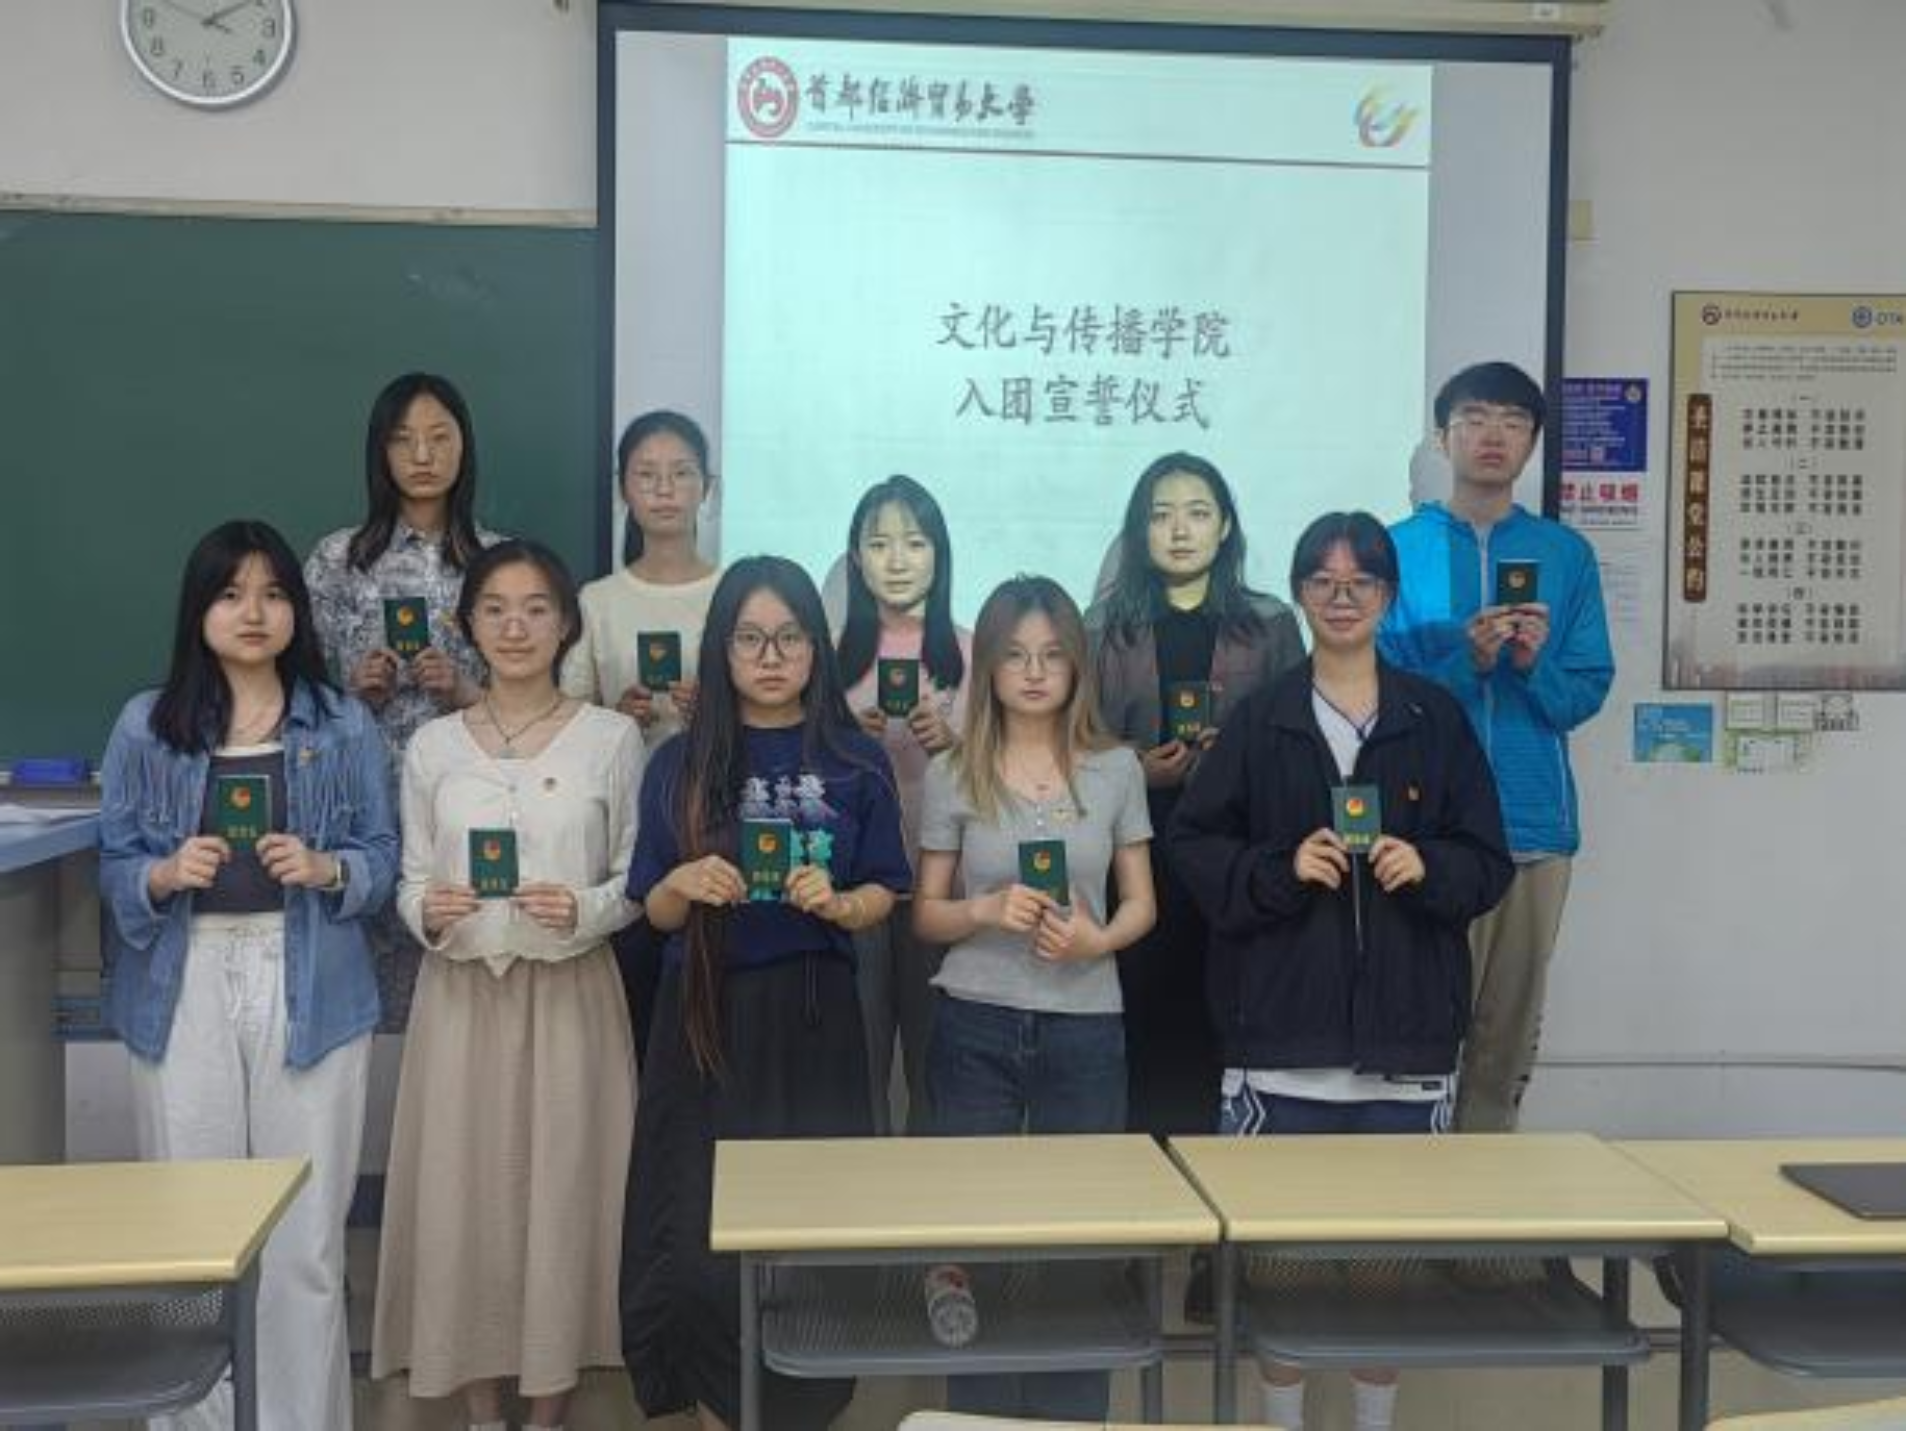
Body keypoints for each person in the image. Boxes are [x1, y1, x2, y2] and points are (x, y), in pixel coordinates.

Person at [1169, 512, 1511, 1432]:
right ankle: (1281, 1421)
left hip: (1405, 1050)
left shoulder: (1432, 719)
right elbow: (1194, 846)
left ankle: (1372, 1422)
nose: (1342, 596)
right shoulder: (1261, 719)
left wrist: (1426, 866)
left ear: (1388, 596)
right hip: (1280, 1050)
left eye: (1360, 581)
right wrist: (1279, 871)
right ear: (1297, 594)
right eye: (1322, 580)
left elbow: (1488, 861)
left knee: (1381, 1270)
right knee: (1279, 1267)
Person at [98, 519, 398, 1431]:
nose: (253, 612)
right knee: (193, 1236)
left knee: (304, 1243)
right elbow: (114, 862)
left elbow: (383, 858)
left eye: (272, 594)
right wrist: (160, 875)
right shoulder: (147, 725)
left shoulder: (341, 723)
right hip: (182, 983)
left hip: (309, 986)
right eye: (230, 594)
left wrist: (328, 868)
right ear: (199, 611)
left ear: (297, 610)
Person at [620, 556, 912, 1431]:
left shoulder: (855, 761)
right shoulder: (679, 761)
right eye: (749, 638)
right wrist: (684, 882)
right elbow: (653, 909)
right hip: (705, 1020)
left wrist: (842, 903)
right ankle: (720, 1410)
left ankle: (804, 1406)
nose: (771, 656)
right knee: (700, 1234)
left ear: (817, 649)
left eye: (789, 637)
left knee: (812, 1228)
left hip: (814, 1018)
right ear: (721, 649)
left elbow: (885, 890)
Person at [372, 540, 644, 1432]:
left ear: (566, 625)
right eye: (494, 609)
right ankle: (483, 1413)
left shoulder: (611, 738)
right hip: (461, 1002)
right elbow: (410, 878)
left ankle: (549, 1411)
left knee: (564, 1197)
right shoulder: (432, 745)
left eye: (535, 609)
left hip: (570, 998)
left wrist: (584, 908)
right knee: (464, 1201)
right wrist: (427, 909)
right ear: (468, 625)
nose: (515, 627)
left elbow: (634, 881)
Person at [914, 575, 1157, 1424]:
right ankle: (976, 1417)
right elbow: (926, 915)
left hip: (1085, 1023)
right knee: (972, 1231)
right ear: (986, 665)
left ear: (1076, 667)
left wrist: (1097, 940)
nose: (1033, 672)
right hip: (974, 1019)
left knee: (1077, 1240)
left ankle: (1068, 1417)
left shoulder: (1116, 768)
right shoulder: (952, 771)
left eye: (1052, 655)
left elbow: (1142, 904)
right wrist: (982, 911)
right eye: (1014, 655)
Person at [1379, 361, 1614, 1131]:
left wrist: (1529, 663)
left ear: (1532, 442)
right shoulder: (1392, 551)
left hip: (1530, 828)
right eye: (1475, 418)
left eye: (1513, 423)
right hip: (1419, 831)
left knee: (1502, 1040)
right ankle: (1405, 1194)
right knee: (1414, 1029)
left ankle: (1484, 1194)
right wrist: (1465, 665)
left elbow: (1584, 690)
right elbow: (1369, 693)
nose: (1493, 435)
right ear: (1441, 437)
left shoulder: (1564, 555)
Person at [1085, 452, 1304, 1146]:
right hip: (1133, 853)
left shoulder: (1269, 624)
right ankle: (1139, 1193)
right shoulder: (1101, 627)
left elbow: (1295, 744)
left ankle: (1222, 1192)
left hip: (1234, 856)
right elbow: (1074, 744)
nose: (1179, 530)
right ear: (1138, 530)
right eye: (1161, 515)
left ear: (1226, 526)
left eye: (1197, 513)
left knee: (1225, 1020)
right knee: (1141, 1021)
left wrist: (1231, 761)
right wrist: (1135, 769)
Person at [304, 371, 505, 1027]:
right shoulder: (335, 562)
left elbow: (532, 710)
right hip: (357, 813)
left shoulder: (499, 563)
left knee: (459, 1007)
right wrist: (352, 694)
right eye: (402, 439)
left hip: (468, 810)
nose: (422, 456)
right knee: (359, 1013)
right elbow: (295, 706)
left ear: (464, 447)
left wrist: (466, 692)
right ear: (380, 451)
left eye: (439, 437)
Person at [561, 409, 722, 1062]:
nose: (664, 489)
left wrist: (716, 712)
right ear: (622, 488)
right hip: (624, 830)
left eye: (681, 473)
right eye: (646, 474)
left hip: (715, 823)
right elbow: (565, 718)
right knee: (632, 1020)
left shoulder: (732, 591)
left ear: (707, 487)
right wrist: (614, 717)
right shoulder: (597, 600)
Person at [835, 474, 971, 1133]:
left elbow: (1011, 771)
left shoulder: (974, 650)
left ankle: (933, 1194)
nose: (896, 560)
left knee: (937, 1070)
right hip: (850, 893)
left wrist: (955, 746)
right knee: (854, 1067)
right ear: (855, 556)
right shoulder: (825, 654)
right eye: (879, 543)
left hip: (942, 893)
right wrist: (839, 742)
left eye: (915, 543)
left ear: (939, 556)